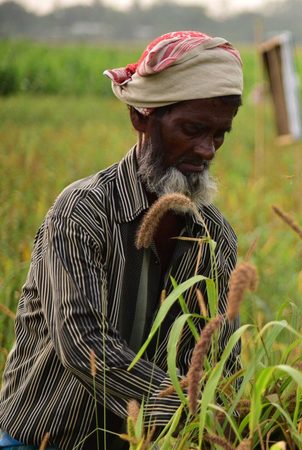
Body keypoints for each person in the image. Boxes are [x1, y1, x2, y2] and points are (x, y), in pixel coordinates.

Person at [0, 31, 243, 449]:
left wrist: (244, 414)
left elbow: (218, 352)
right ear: (142, 118)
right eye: (193, 129)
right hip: (47, 438)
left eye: (220, 134)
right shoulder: (82, 211)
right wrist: (188, 412)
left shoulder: (213, 235)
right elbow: (82, 341)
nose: (207, 150)